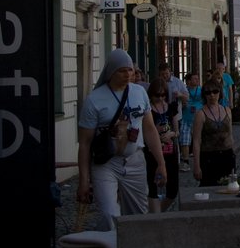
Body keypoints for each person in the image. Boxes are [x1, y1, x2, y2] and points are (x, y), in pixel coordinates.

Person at [77, 49, 167, 229]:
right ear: (111, 72)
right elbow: (85, 143)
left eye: (130, 70)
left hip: (135, 160)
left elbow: (149, 129)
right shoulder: (94, 100)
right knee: (109, 214)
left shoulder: (140, 93)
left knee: (138, 214)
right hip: (106, 163)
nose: (128, 74)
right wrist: (84, 180)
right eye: (122, 70)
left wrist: (161, 162)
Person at [145, 79, 180, 212]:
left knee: (173, 189)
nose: (160, 98)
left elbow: (177, 131)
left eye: (163, 95)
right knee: (152, 187)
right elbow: (146, 131)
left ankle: (158, 213)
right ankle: (156, 216)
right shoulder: (148, 109)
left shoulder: (171, 106)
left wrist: (171, 134)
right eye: (157, 95)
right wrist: (156, 133)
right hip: (152, 152)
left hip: (169, 151)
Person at [192, 80, 235, 186]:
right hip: (208, 157)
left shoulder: (227, 110)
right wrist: (196, 165)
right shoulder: (200, 114)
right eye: (208, 92)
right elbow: (196, 141)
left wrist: (233, 155)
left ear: (220, 92)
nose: (212, 95)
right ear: (204, 95)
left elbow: (230, 134)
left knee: (229, 187)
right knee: (209, 188)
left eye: (215, 91)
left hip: (226, 154)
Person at [179, 72, 203, 172]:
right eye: (194, 79)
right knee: (185, 140)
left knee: (200, 139)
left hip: (198, 118)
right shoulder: (184, 91)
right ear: (188, 81)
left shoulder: (201, 90)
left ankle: (201, 160)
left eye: (197, 78)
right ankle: (186, 161)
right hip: (186, 118)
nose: (197, 80)